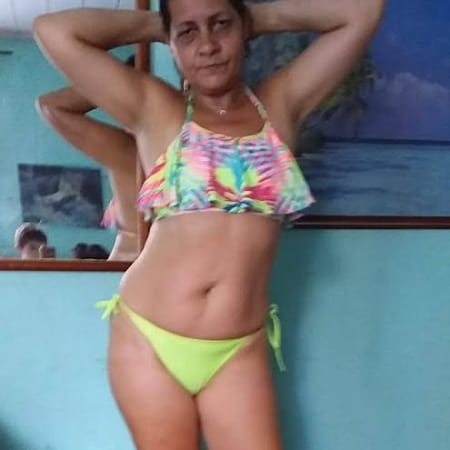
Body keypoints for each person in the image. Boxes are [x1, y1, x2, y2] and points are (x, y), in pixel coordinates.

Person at [34, 0, 384, 448]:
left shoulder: (280, 105)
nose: (208, 46)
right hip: (150, 338)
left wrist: (256, 20)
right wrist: (159, 26)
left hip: (238, 350)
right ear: (173, 45)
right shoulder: (155, 107)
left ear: (242, 31)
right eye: (189, 34)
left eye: (221, 26)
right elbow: (54, 30)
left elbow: (363, 11)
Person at [36, 61, 139, 262]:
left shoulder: (130, 149)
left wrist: (118, 83)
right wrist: (121, 83)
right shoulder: (128, 148)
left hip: (137, 268)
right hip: (131, 269)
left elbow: (50, 106)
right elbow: (50, 106)